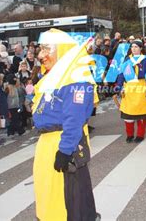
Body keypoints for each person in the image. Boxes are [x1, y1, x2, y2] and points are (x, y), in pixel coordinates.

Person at [33, 29, 99, 221]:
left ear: (61, 50)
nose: (40, 55)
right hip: (49, 143)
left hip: (63, 144)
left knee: (68, 198)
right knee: (49, 193)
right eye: (40, 49)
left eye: (46, 49)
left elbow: (74, 118)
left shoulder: (76, 78)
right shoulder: (56, 76)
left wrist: (64, 150)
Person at [114, 40, 146, 143]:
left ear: (141, 48)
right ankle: (129, 135)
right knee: (129, 114)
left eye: (136, 47)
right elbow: (121, 75)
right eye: (132, 47)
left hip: (142, 87)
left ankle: (140, 135)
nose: (134, 49)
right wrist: (118, 86)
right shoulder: (127, 60)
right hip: (129, 89)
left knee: (142, 114)